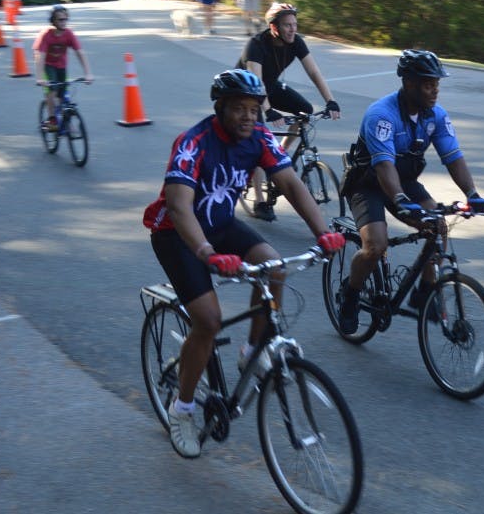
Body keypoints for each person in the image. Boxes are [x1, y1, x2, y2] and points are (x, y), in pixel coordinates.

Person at [142, 69, 346, 459]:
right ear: (220, 109)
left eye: (255, 109)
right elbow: (180, 206)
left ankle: (253, 350)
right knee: (208, 321)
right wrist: (206, 254)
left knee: (274, 267)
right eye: (239, 109)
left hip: (220, 223)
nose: (249, 116)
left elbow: (290, 183)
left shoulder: (260, 137)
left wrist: (322, 232)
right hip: (180, 235)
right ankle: (182, 410)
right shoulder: (193, 142)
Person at [335, 49, 484, 333]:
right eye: (428, 84)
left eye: (437, 84)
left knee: (438, 225)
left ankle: (425, 290)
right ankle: (351, 293)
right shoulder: (381, 115)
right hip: (367, 183)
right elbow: (383, 166)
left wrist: (472, 194)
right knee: (375, 247)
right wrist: (399, 200)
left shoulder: (436, 115)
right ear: (409, 83)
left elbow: (453, 157)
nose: (435, 91)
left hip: (404, 182)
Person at [236, 1, 341, 221]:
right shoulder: (256, 45)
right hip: (245, 90)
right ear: (274, 28)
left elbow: (313, 71)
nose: (293, 29)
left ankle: (280, 154)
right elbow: (255, 82)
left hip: (270, 85)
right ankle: (260, 201)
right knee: (258, 136)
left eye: (295, 24)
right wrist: (269, 111)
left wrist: (330, 101)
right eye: (287, 25)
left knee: (304, 110)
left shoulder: (296, 42)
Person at [32, 5, 93, 131]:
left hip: (61, 65)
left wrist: (88, 73)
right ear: (53, 21)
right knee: (52, 90)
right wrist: (39, 78)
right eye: (60, 20)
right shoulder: (46, 35)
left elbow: (80, 52)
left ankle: (65, 119)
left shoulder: (68, 34)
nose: (64, 22)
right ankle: (52, 119)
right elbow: (40, 57)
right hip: (47, 65)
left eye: (65, 19)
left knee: (63, 94)